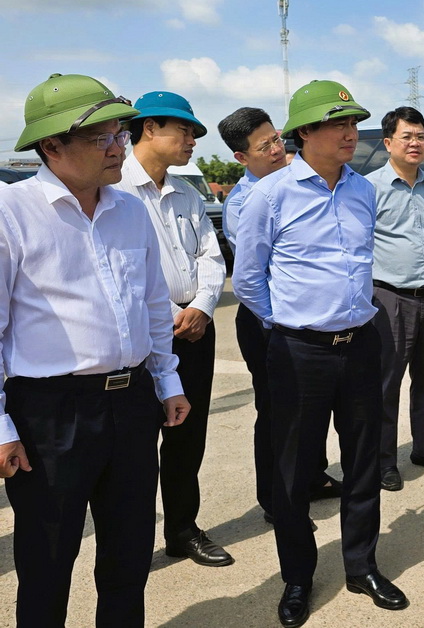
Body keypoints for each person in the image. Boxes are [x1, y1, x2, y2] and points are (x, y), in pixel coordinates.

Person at [0, 73, 190, 627]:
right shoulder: (12, 212)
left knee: (129, 555)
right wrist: (2, 426)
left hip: (131, 403)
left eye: (119, 135)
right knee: (47, 560)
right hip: (50, 413)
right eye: (101, 138)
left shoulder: (130, 210)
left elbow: (153, 304)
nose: (117, 148)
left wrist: (168, 381)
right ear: (51, 145)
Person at [233, 80, 408, 627]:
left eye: (353, 123)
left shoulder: (363, 191)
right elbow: (248, 279)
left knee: (363, 461)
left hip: (361, 343)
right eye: (337, 124)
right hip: (299, 350)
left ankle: (362, 565)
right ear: (305, 132)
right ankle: (298, 577)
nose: (350, 133)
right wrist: (287, 325)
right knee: (293, 471)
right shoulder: (270, 195)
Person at [113, 91, 230, 567]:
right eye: (184, 130)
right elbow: (118, 268)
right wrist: (167, 315)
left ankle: (182, 529)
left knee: (188, 435)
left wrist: (202, 306)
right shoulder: (115, 189)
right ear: (148, 128)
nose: (192, 140)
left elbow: (211, 256)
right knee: (137, 443)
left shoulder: (187, 194)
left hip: (194, 329)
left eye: (194, 133)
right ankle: (131, 542)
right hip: (144, 332)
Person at [217, 107, 340, 525]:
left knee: (312, 404)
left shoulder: (296, 185)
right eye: (263, 146)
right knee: (276, 410)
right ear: (240, 157)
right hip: (264, 318)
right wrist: (276, 321)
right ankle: (275, 497)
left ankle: (312, 476)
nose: (275, 150)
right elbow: (254, 276)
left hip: (301, 320)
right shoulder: (244, 202)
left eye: (276, 139)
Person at [365, 106, 424, 492]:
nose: (416, 143)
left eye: (420, 136)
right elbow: (360, 243)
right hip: (389, 298)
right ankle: (383, 460)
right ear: (388, 143)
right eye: (407, 136)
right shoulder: (369, 187)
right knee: (386, 382)